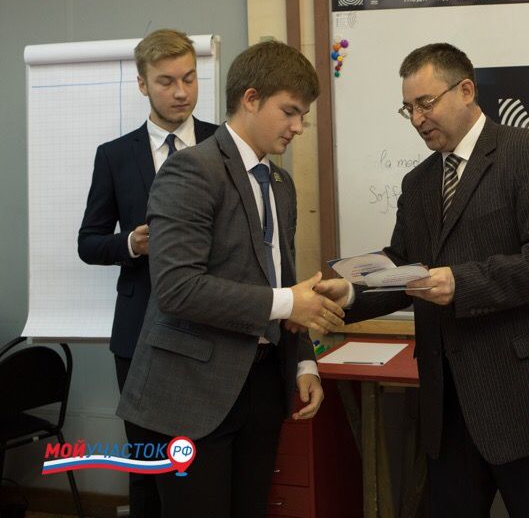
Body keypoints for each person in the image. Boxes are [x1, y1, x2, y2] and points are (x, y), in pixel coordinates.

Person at [317, 43, 529, 517]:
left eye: (425, 103)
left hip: (525, 399)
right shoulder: (418, 183)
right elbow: (403, 264)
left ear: (466, 90)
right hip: (448, 406)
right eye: (408, 109)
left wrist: (461, 284)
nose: (417, 119)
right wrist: (349, 292)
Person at [117, 41, 345, 518]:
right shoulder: (191, 170)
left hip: (261, 385)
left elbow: (285, 283)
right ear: (251, 98)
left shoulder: (280, 184)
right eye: (290, 112)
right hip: (190, 393)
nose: (297, 127)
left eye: (303, 116)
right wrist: (288, 303)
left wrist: (304, 364)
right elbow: (178, 288)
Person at [77, 29, 217, 518]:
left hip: (211, 331)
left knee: (203, 467)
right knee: (149, 468)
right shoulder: (115, 156)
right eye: (166, 82)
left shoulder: (224, 143)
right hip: (139, 335)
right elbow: (88, 242)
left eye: (189, 79)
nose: (181, 92)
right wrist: (131, 244)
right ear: (142, 85)